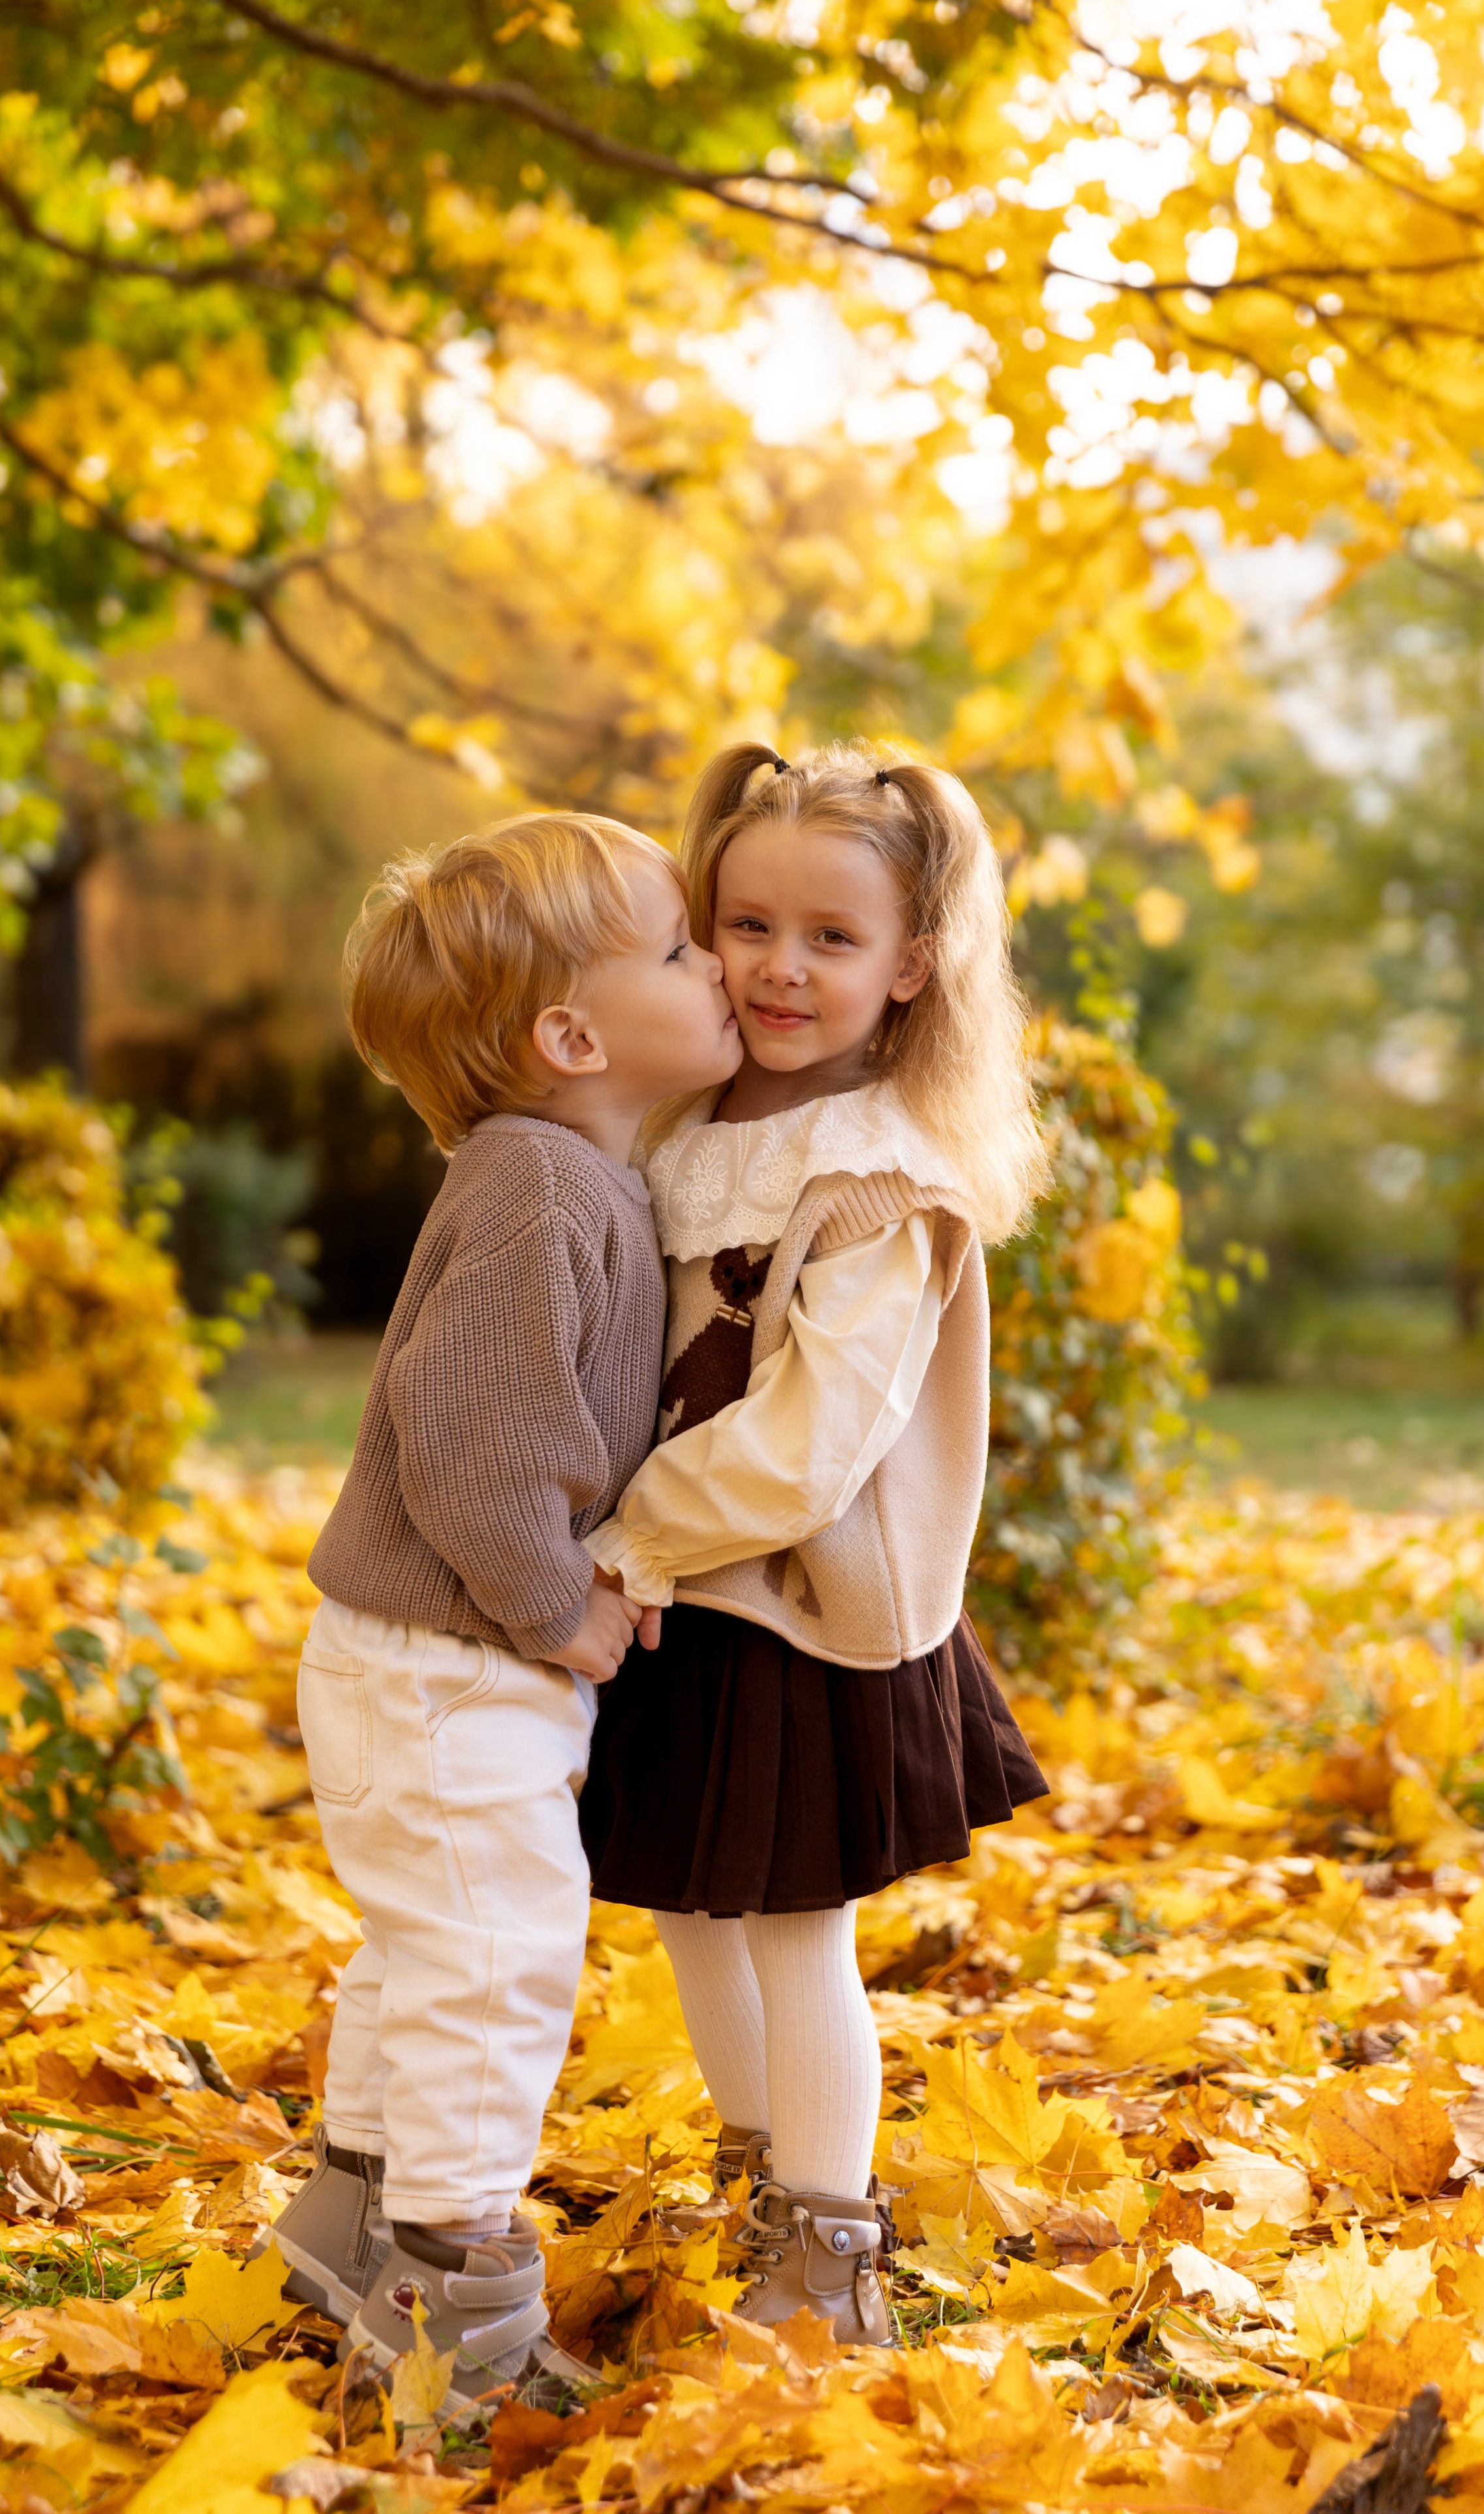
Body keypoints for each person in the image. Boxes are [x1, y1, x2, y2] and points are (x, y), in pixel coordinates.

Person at [579, 741, 1051, 2346]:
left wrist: (630, 1535)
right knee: (681, 1900)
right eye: (747, 924)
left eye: (832, 939)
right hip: (662, 1597)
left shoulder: (880, 1181)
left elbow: (810, 1443)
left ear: (912, 963)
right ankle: (753, 2157)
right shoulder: (673, 1128)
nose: (779, 968)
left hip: (784, 1600)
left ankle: (828, 2237)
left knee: (792, 1927)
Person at [264, 811, 738, 2410]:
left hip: (413, 1663)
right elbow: (470, 1443)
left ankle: (349, 2221)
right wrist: (559, 1609)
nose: (717, 965)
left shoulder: (565, 1171)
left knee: (423, 1948)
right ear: (572, 1035)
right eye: (681, 947)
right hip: (452, 1665)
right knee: (494, 1964)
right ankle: (452, 2314)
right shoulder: (543, 1190)